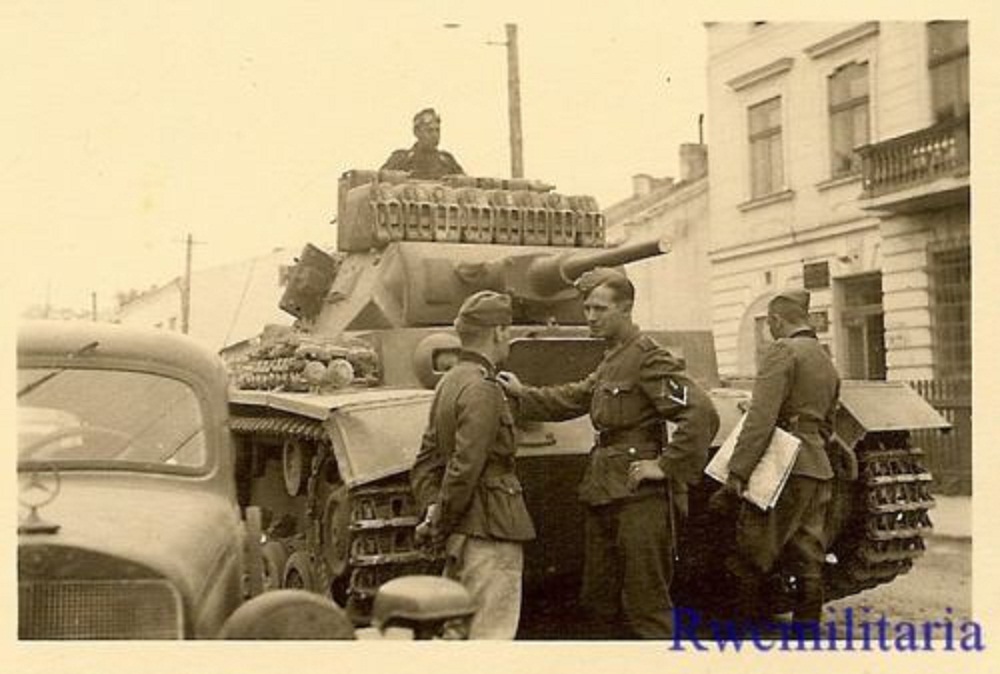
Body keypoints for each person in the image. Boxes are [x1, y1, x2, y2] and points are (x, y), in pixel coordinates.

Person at [497, 268, 719, 639]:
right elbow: (574, 397)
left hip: (639, 500)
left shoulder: (648, 359)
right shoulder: (613, 359)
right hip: (604, 492)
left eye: (600, 308)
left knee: (646, 607)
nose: (590, 317)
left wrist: (665, 466)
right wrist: (523, 394)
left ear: (626, 308)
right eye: (586, 308)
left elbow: (700, 412)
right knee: (600, 602)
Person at [711, 288, 840, 629]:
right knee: (809, 556)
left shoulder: (781, 352)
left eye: (769, 324)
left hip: (782, 467)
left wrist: (737, 474)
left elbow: (759, 419)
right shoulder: (825, 357)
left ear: (776, 320)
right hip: (816, 465)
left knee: (750, 556)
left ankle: (741, 646)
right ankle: (805, 641)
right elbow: (829, 422)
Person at [409, 290, 535, 639]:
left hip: (464, 530)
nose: (508, 337)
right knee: (490, 637)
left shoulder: (449, 382)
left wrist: (435, 511)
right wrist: (441, 523)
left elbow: (426, 460)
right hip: (491, 531)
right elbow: (466, 467)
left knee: (458, 635)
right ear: (497, 332)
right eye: (507, 330)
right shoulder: (483, 388)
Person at [381, 108, 465, 180]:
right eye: (429, 130)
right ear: (416, 132)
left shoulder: (448, 162)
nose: (435, 135)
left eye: (437, 130)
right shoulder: (401, 159)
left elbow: (466, 186)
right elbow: (379, 185)